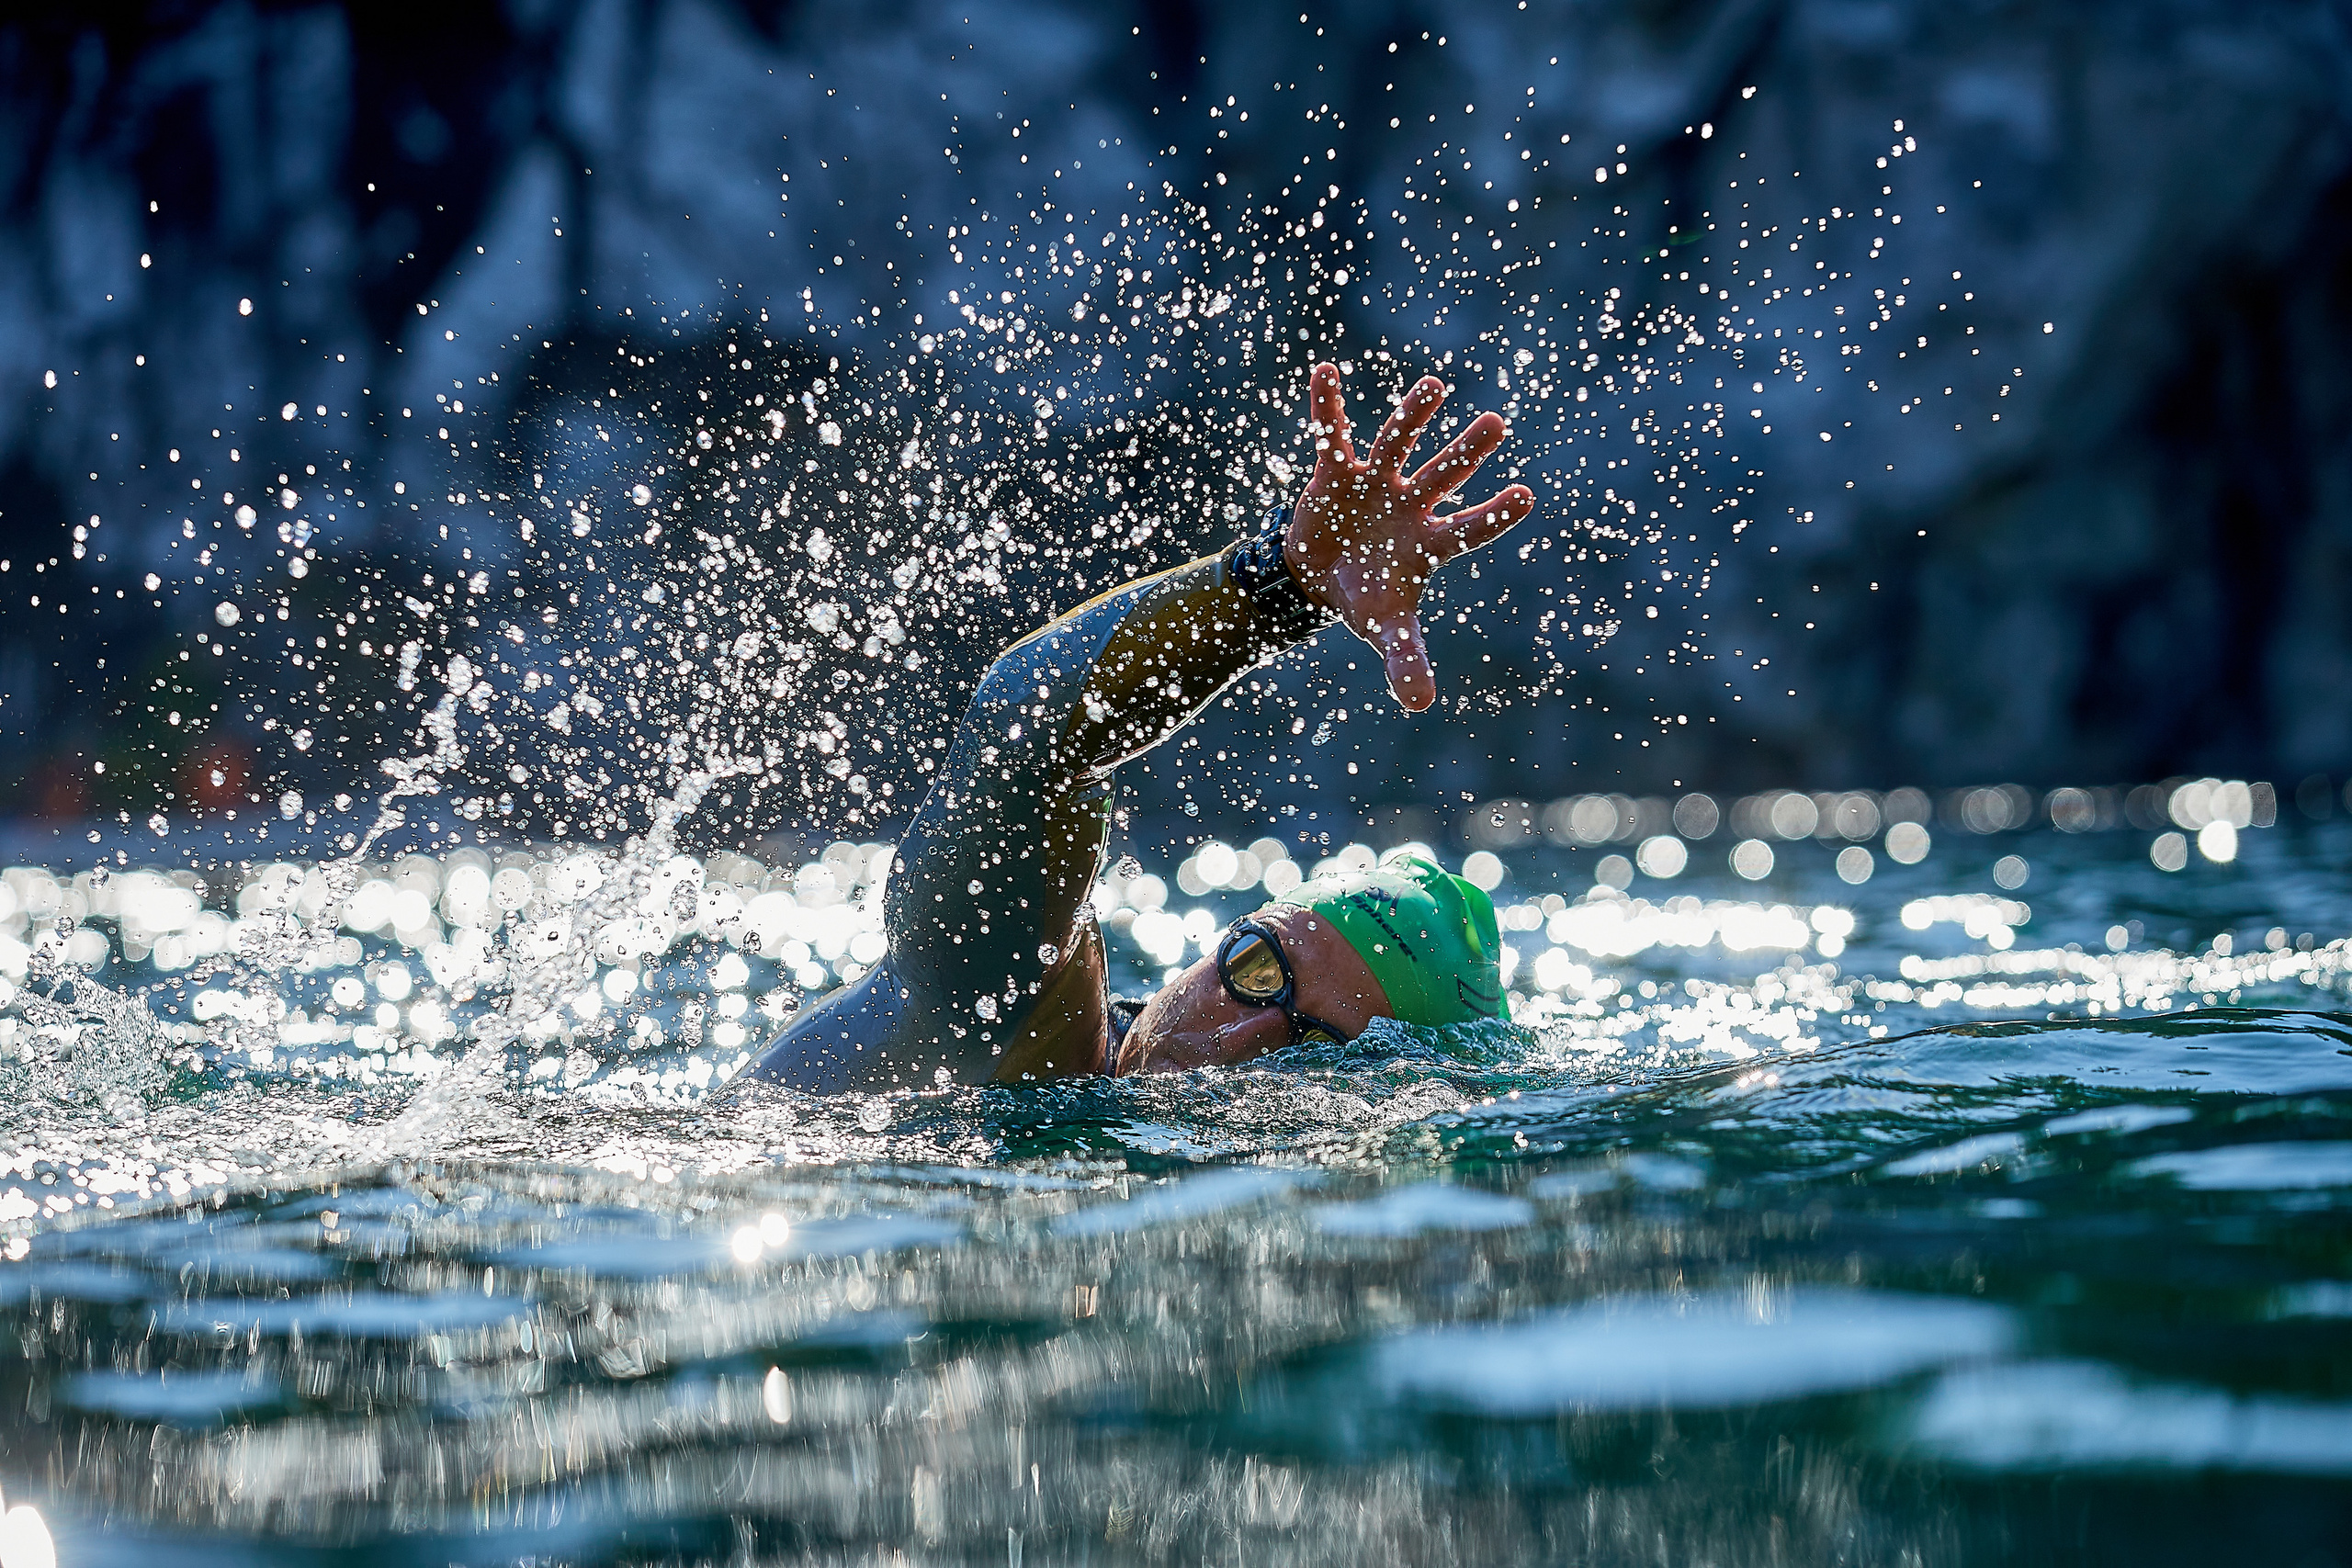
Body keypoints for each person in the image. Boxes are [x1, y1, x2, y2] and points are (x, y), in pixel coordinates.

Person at [736, 363, 1536, 1095]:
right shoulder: (1005, 1013)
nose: (1240, 1036)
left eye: (1314, 1046)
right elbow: (1024, 724)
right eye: (1257, 969)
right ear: (1225, 938)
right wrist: (1279, 585)